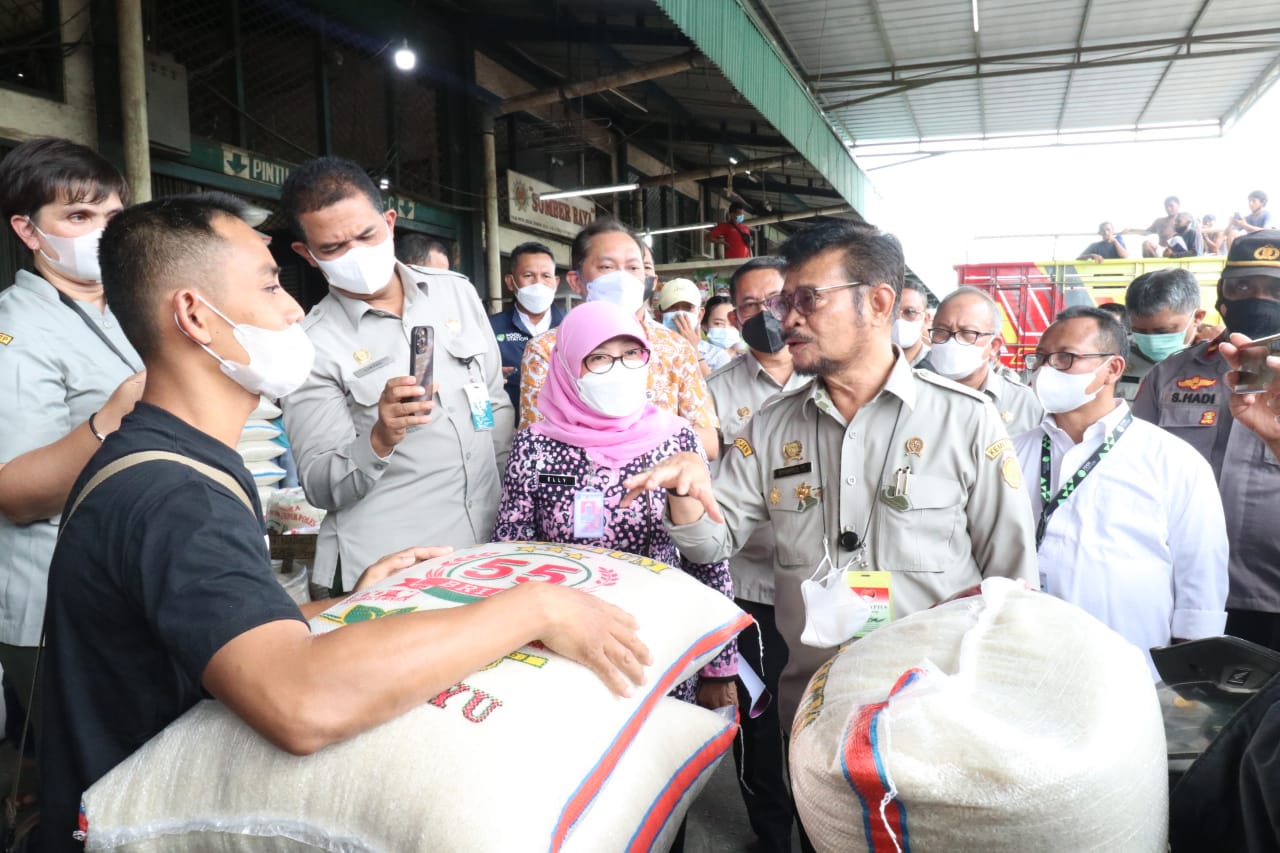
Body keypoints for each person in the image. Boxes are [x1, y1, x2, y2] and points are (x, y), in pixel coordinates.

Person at [39, 193, 650, 853]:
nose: (291, 309)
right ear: (194, 315)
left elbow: (214, 633)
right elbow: (300, 701)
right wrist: (535, 607)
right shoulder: (177, 496)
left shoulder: (169, 458)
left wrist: (351, 605)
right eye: (270, 285)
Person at [622, 220, 1038, 738]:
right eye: (785, 302)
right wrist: (685, 489)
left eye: (809, 299)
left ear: (879, 303)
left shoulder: (966, 420)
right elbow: (711, 543)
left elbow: (1012, 582)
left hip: (934, 715)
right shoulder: (773, 426)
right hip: (816, 710)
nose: (788, 319)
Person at [279, 157, 513, 597]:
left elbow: (494, 403)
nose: (356, 254)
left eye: (367, 236)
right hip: (388, 570)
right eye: (333, 247)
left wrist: (509, 499)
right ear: (306, 254)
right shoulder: (311, 345)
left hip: (485, 547)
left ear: (389, 223)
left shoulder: (455, 292)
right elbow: (319, 485)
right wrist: (379, 439)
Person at [494, 299, 735, 708]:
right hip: (562, 648)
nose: (619, 369)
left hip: (659, 641)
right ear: (569, 366)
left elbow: (707, 560)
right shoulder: (535, 443)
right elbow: (511, 550)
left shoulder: (677, 438)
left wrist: (720, 666)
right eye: (599, 358)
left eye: (631, 354)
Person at [0, 137, 146, 735]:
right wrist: (112, 419)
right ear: (29, 231)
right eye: (79, 216)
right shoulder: (18, 332)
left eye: (113, 215)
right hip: (58, 601)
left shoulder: (129, 309)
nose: (103, 232)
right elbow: (16, 494)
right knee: (84, 768)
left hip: (131, 580)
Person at [1013, 306, 1227, 675]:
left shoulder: (1172, 460)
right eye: (1041, 358)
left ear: (1112, 368)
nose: (1046, 370)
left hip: (1130, 664)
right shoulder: (1013, 453)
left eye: (1065, 358)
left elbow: (1201, 572)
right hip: (1027, 657)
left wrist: (1191, 669)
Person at [704, 256, 808, 853]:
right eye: (748, 305)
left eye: (774, 300)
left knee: (827, 711)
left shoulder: (828, 376)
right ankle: (772, 834)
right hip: (750, 585)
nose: (764, 314)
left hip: (824, 584)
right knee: (758, 718)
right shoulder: (715, 392)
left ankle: (827, 827)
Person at [1134, 229, 1280, 651]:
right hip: (1182, 591)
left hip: (1271, 593)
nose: (1259, 299)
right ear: (1222, 295)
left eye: (1275, 289)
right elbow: (1134, 468)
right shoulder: (1170, 374)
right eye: (1243, 287)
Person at [517, 218, 720, 458]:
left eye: (633, 268)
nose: (623, 278)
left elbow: (709, 443)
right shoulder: (547, 349)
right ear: (576, 281)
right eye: (607, 267)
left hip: (662, 482)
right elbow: (538, 446)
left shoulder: (675, 348)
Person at [921, 286, 1043, 435]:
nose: (952, 341)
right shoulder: (910, 393)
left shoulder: (1023, 404)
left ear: (993, 346)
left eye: (968, 333)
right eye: (941, 331)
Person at [489, 240, 565, 409]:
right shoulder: (490, 328)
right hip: (510, 422)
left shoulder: (572, 327)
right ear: (510, 282)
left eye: (546, 276)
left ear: (556, 282)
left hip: (562, 423)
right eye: (528, 276)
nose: (538, 284)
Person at [1117, 268, 1205, 402]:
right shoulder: (1119, 357)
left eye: (1163, 331)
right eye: (1140, 331)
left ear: (1197, 317)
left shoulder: (1220, 361)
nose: (1152, 342)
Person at [658, 277, 732, 375]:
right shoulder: (650, 350)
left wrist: (694, 350)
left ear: (700, 315)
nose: (680, 314)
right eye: (672, 308)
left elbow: (714, 385)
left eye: (687, 308)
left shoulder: (717, 356)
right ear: (659, 316)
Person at [891, 280, 931, 366]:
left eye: (910, 312)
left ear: (926, 319)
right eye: (892, 311)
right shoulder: (869, 361)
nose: (898, 319)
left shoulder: (936, 365)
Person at [702, 294, 745, 360]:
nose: (726, 329)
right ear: (704, 325)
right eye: (718, 323)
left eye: (733, 323)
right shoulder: (695, 356)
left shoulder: (749, 357)